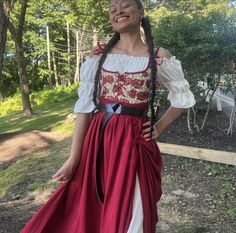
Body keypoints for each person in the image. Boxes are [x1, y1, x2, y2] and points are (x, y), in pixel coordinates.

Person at [21, 0, 196, 232]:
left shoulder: (158, 56)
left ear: (141, 12)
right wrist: (74, 158)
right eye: (112, 8)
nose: (118, 11)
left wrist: (159, 127)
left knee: (134, 211)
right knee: (88, 205)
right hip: (98, 140)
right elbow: (84, 108)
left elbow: (182, 98)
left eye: (124, 5)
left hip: (134, 143)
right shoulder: (99, 56)